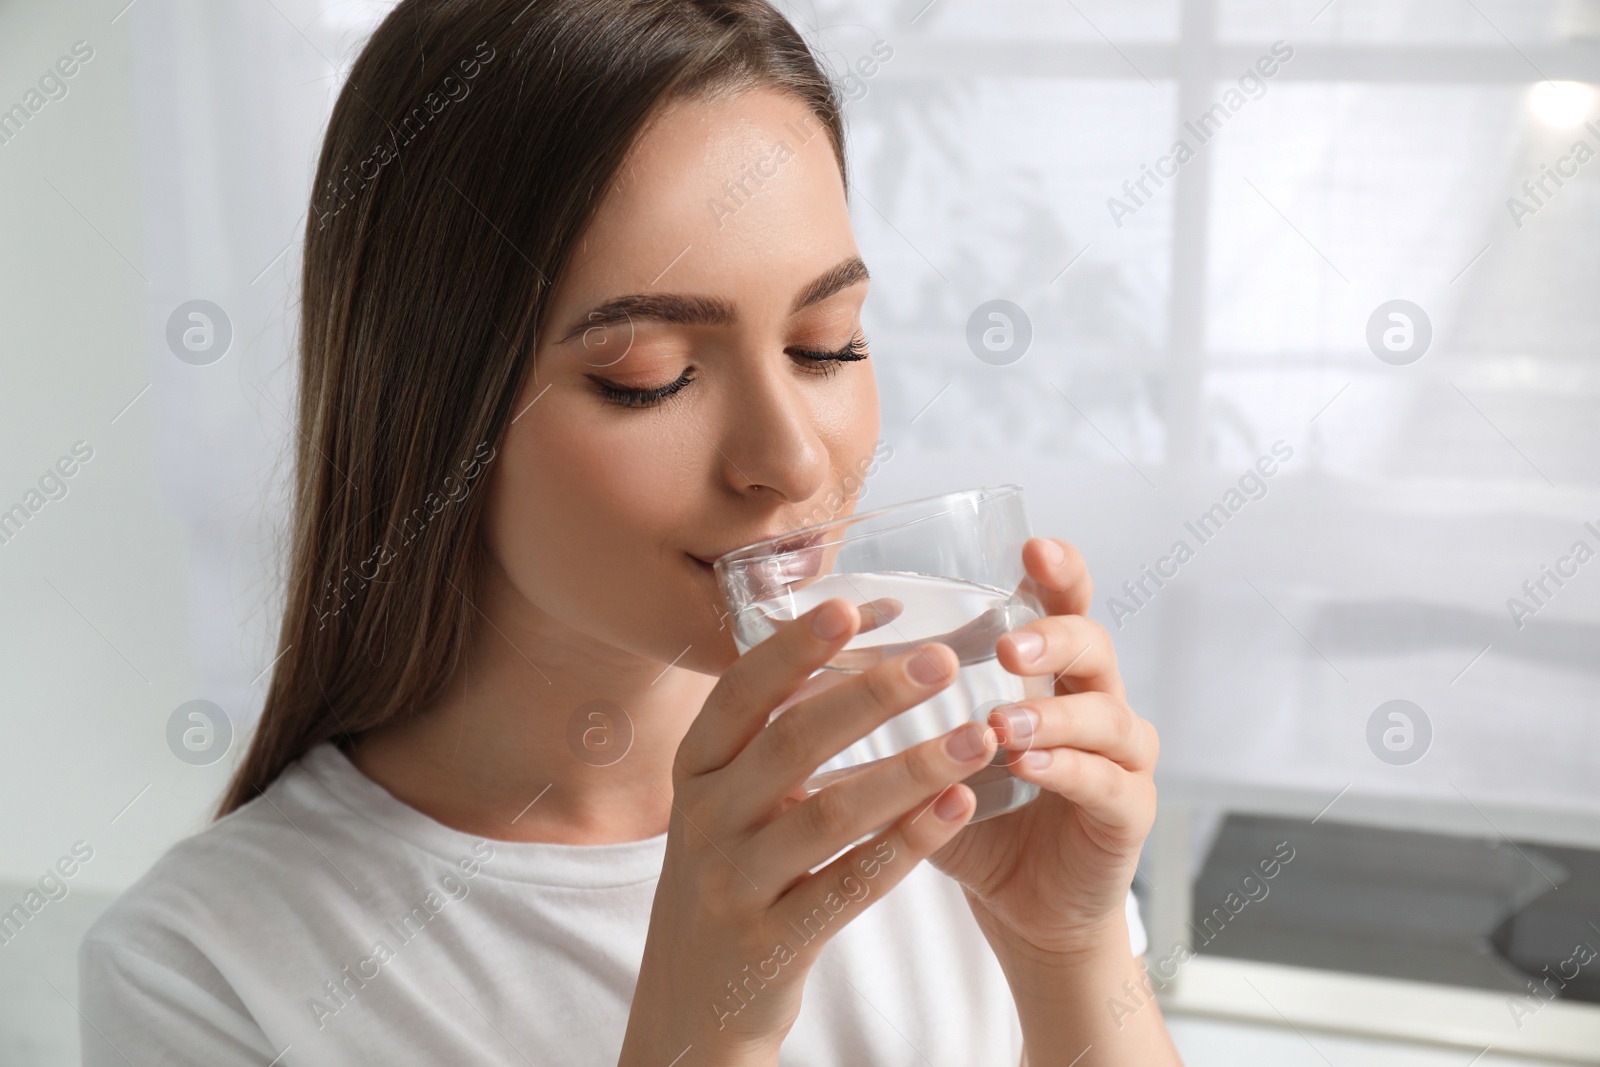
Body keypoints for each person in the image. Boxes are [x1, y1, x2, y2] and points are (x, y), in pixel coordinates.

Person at [79, 1, 1181, 1063]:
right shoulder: (204, 971)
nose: (791, 459)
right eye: (649, 377)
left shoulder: (951, 760)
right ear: (433, 408)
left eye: (826, 343)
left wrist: (1067, 952)